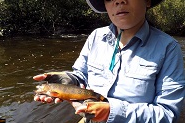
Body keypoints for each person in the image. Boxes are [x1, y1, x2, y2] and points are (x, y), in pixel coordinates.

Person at [33, 0, 185, 122]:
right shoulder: (95, 37)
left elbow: (168, 114)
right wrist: (68, 79)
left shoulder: (169, 48)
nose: (119, 1)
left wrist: (112, 112)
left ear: (148, 1)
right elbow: (82, 75)